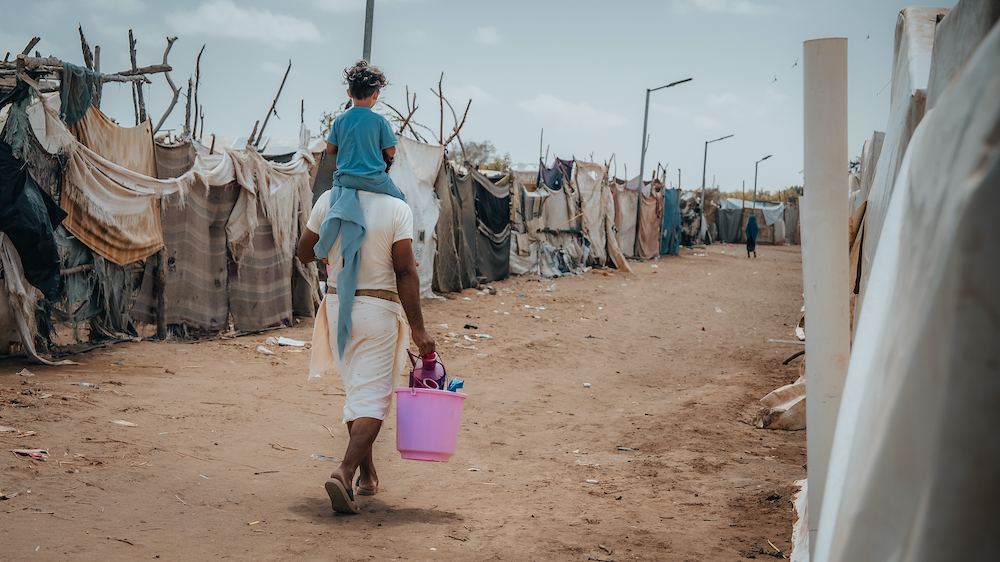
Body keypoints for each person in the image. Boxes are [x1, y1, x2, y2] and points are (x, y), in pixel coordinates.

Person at [297, 60, 435, 515]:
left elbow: (303, 253)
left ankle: (369, 474)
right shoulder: (396, 209)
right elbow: (406, 273)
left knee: (358, 390)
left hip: (337, 309)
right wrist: (419, 330)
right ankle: (343, 472)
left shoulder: (328, 202)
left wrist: (333, 246)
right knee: (374, 398)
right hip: (378, 312)